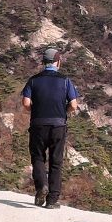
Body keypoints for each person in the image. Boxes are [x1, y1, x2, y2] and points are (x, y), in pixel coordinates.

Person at [20, 46, 78, 208]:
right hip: (58, 125)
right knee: (56, 161)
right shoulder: (65, 80)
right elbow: (73, 105)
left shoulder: (33, 80)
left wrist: (35, 110)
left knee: (38, 157)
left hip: (38, 124)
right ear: (58, 62)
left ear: (43, 62)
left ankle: (41, 186)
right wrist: (63, 111)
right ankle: (52, 200)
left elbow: (25, 103)